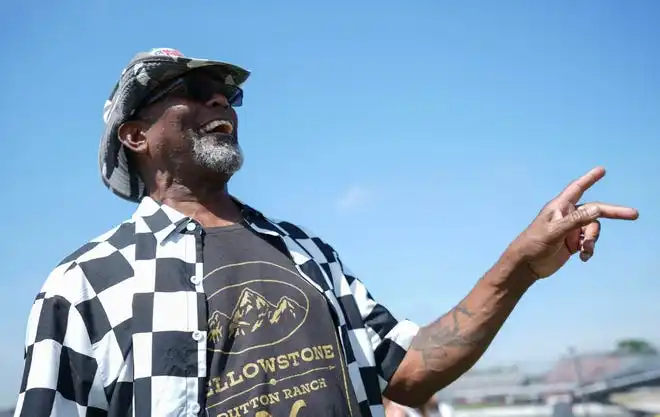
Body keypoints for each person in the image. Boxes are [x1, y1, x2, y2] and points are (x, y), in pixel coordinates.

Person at [13, 47, 638, 417]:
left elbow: (412, 367)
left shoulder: (304, 251)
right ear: (135, 135)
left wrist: (521, 264)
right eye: (195, 92)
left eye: (228, 94)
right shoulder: (85, 286)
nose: (221, 103)